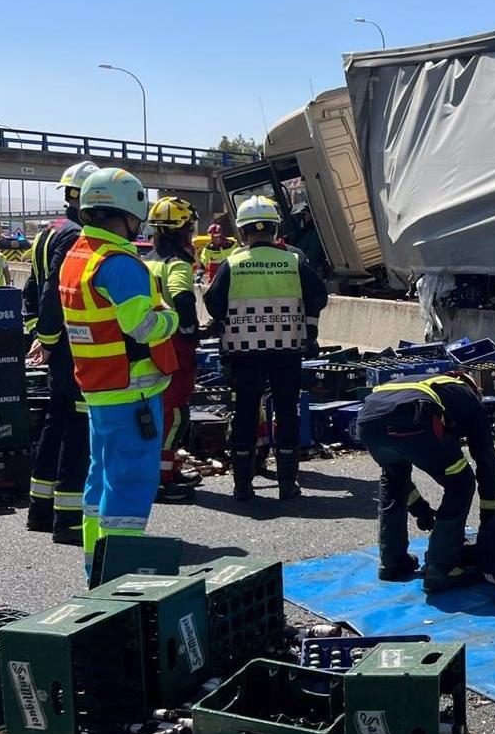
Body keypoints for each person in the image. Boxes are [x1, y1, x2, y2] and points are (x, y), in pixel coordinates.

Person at [56, 168, 179, 577]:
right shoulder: (120, 265)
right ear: (129, 212)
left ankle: (96, 568)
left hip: (98, 387)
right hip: (132, 393)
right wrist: (170, 318)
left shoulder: (77, 255)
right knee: (129, 487)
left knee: (100, 482)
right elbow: (142, 327)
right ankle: (119, 581)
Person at [204, 196, 327, 502]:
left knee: (245, 414)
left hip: (243, 353)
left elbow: (213, 303)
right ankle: (287, 483)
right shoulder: (294, 261)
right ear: (275, 229)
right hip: (287, 350)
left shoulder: (232, 263)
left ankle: (242, 486)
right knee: (287, 412)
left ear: (243, 231)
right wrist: (307, 328)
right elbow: (319, 296)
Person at [355, 372, 495, 593]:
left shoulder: (428, 383)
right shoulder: (468, 397)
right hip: (414, 416)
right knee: (460, 482)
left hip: (368, 422)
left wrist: (420, 509)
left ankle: (392, 561)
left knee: (393, 479)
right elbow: (486, 460)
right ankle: (442, 567)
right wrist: (490, 518)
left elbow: (402, 479)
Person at [23, 160, 100, 541]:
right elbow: (55, 290)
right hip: (72, 348)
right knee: (77, 430)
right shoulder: (75, 237)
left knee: (55, 424)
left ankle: (39, 509)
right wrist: (50, 341)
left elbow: (31, 291)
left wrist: (35, 334)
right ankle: (68, 520)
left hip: (57, 345)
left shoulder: (48, 232)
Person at [146, 197, 203, 502]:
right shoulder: (176, 263)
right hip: (174, 347)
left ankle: (164, 470)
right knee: (175, 411)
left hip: (150, 342)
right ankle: (163, 477)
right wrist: (191, 330)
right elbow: (182, 297)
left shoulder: (148, 260)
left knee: (156, 410)